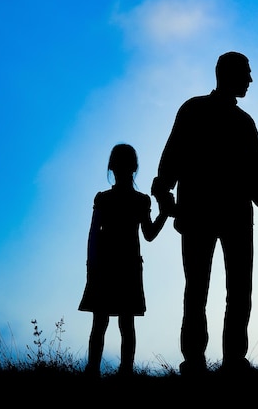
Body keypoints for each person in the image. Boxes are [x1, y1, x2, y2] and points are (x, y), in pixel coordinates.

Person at [152, 51, 258, 376]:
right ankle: (199, 360)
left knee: (233, 291)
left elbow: (257, 177)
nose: (251, 80)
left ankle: (230, 360)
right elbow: (173, 157)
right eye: (246, 73)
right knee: (200, 290)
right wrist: (164, 189)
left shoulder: (241, 121)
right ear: (227, 73)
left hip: (230, 217)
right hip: (203, 216)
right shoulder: (196, 110)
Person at [78, 143, 173, 377]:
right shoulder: (140, 201)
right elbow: (149, 234)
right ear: (135, 167)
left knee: (101, 322)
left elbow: (92, 235)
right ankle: (125, 372)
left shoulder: (104, 199)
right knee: (125, 323)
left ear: (112, 167)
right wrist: (164, 214)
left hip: (105, 265)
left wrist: (91, 266)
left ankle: (94, 371)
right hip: (127, 265)